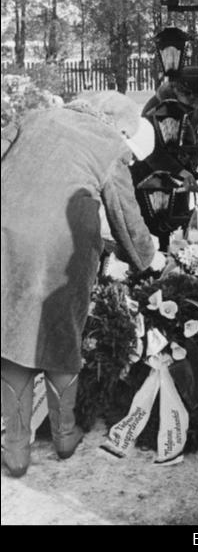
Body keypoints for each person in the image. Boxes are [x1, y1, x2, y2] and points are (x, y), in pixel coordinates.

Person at [1, 91, 166, 477]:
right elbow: (125, 217)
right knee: (61, 335)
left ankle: (15, 451)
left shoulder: (36, 117)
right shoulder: (109, 144)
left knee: (12, 334)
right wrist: (148, 258)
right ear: (123, 128)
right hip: (63, 246)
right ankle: (63, 435)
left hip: (5, 236)